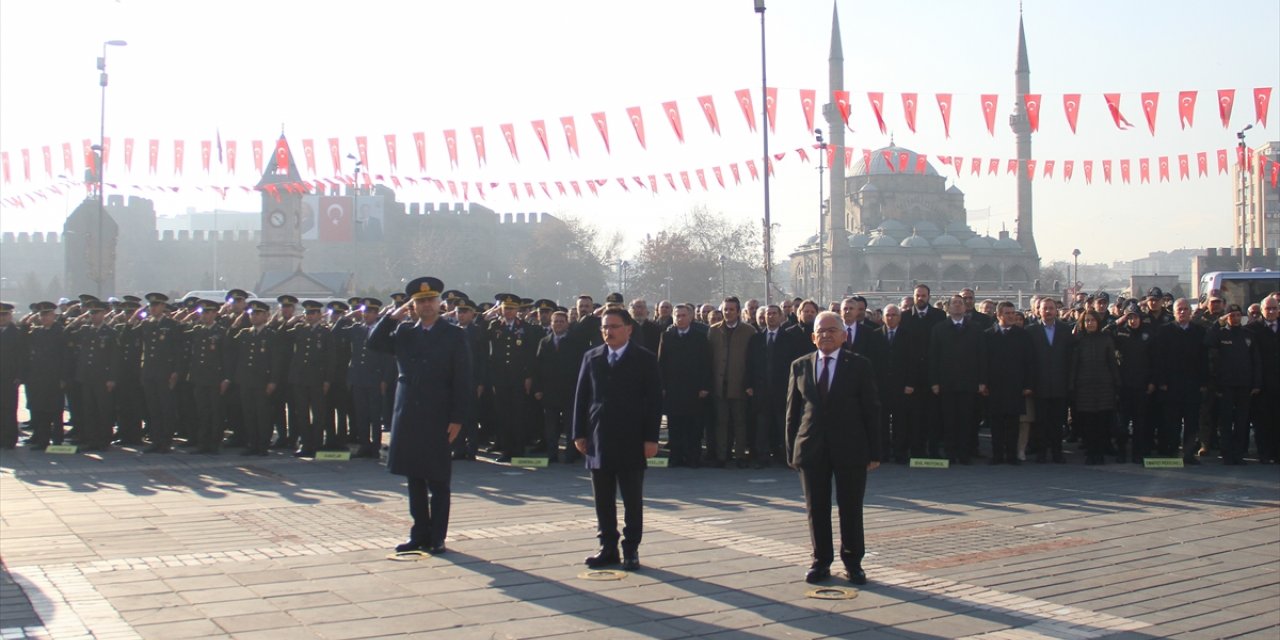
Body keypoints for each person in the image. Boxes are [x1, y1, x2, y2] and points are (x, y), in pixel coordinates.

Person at [369, 277, 473, 555]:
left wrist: (458, 417)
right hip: (409, 413)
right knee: (414, 477)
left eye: (431, 300)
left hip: (439, 413)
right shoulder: (404, 332)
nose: (426, 305)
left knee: (438, 478)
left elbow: (463, 379)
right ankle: (419, 533)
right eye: (420, 301)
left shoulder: (454, 334)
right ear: (413, 305)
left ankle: (437, 536)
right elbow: (375, 342)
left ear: (439, 303)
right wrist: (393, 316)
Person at [786, 311, 880, 586]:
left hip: (851, 447)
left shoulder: (859, 365)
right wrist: (792, 449)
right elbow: (792, 412)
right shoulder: (800, 366)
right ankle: (821, 560)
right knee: (816, 507)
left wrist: (875, 452)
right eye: (821, 331)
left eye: (832, 330)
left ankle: (853, 563)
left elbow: (871, 410)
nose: (826, 334)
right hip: (811, 447)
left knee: (851, 507)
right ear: (813, 337)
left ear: (844, 336)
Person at [573, 307, 662, 571]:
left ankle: (631, 548)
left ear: (628, 329)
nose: (608, 332)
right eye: (604, 327)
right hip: (599, 437)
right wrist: (579, 432)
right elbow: (582, 397)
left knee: (632, 498)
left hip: (632, 437)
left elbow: (654, 401)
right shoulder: (592, 357)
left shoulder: (644, 359)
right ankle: (607, 547)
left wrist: (651, 438)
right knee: (602, 497)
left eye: (613, 327)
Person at [929, 295, 988, 464]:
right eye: (954, 303)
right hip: (946, 382)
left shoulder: (975, 328)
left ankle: (964, 453)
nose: (957, 306)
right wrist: (934, 381)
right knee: (948, 420)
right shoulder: (939, 328)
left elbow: (982, 356)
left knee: (967, 419)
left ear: (965, 307)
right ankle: (950, 452)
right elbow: (933, 356)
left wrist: (982, 381)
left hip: (969, 382)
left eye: (960, 303)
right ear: (948, 308)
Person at [1204, 304, 1262, 465]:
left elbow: (1255, 360)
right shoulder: (1221, 334)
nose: (1235, 318)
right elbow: (1207, 341)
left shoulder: (1248, 334)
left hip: (1244, 385)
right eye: (1232, 315)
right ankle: (1227, 454)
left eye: (1238, 315)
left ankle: (1238, 453)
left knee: (1242, 421)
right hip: (1225, 385)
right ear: (1227, 317)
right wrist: (1219, 322)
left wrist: (1256, 383)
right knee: (1225, 421)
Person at [1153, 298, 1209, 463]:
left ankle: (1189, 454)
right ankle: (1171, 452)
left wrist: (1203, 382)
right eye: (1179, 309)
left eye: (1185, 309)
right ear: (1174, 312)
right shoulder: (1165, 331)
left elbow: (1203, 359)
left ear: (1190, 312)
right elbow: (1159, 358)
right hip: (1172, 384)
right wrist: (1161, 381)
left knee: (1192, 422)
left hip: (1192, 384)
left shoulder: (1199, 331)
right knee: (1173, 421)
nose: (1183, 312)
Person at [657, 304, 711, 467]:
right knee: (675, 425)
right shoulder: (667, 336)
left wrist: (704, 386)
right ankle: (676, 457)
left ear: (691, 317)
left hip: (694, 389)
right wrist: (662, 386)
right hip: (674, 388)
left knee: (694, 425)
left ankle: (693, 457)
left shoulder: (700, 337)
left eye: (683, 315)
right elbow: (661, 363)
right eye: (677, 315)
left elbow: (706, 363)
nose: (680, 319)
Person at [746, 305, 799, 468]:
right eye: (768, 314)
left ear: (781, 316)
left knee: (783, 424)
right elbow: (748, 364)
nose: (771, 317)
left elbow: (794, 365)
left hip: (782, 389)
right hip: (761, 389)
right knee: (762, 425)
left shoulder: (789, 338)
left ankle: (786, 456)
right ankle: (762, 456)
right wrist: (748, 385)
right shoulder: (756, 339)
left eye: (774, 314)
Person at [707, 297, 755, 467]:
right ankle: (722, 456)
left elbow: (752, 360)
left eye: (731, 309)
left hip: (739, 384)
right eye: (725, 309)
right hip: (719, 385)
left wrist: (749, 384)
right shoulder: (713, 330)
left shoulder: (749, 331)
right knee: (721, 423)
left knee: (739, 423)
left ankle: (740, 456)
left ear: (738, 311)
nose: (728, 313)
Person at [984, 302, 1034, 465]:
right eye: (1007, 313)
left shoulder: (1023, 335)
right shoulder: (988, 335)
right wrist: (982, 383)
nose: (1011, 316)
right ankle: (997, 454)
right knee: (996, 423)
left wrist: (1028, 384)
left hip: (1015, 385)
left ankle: (1012, 455)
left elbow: (1029, 361)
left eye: (1013, 313)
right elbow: (982, 362)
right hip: (994, 385)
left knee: (1013, 422)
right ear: (998, 315)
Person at [1069, 310, 1120, 465]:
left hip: (1104, 386)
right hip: (1084, 387)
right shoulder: (1078, 340)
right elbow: (1074, 366)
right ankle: (1091, 453)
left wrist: (1117, 383)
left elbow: (1112, 362)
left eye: (1092, 320)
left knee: (1102, 422)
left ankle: (1100, 453)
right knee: (1088, 423)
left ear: (1098, 322)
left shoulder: (1106, 339)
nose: (1089, 323)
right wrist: (1071, 385)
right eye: (1087, 321)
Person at [532, 310, 582, 463]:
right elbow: (537, 366)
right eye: (556, 321)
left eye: (562, 321)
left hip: (570, 390)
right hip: (549, 390)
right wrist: (538, 388)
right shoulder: (544, 342)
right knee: (551, 426)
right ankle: (552, 454)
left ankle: (571, 454)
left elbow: (581, 366)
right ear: (551, 324)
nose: (558, 324)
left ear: (567, 323)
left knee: (570, 425)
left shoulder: (575, 341)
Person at [1027, 298, 1073, 463]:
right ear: (1038, 310)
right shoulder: (1031, 331)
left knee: (1058, 421)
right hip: (1040, 384)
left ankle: (1057, 452)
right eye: (1044, 308)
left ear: (1056, 310)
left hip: (1060, 384)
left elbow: (1070, 358)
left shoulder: (1065, 330)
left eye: (1051, 308)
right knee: (1041, 422)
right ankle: (1041, 453)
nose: (1048, 311)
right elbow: (1028, 360)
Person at [1248, 296, 1279, 463]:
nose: (1272, 311)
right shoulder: (1253, 329)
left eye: (1274, 308)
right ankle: (1264, 453)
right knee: (1262, 421)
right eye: (1268, 309)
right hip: (1261, 384)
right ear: (1262, 310)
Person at [0, 302, 26, 449]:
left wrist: (19, 375)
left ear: (10, 315)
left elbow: (22, 356)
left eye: (4, 314)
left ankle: (9, 439)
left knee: (9, 408)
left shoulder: (16, 333)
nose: (1, 318)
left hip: (10, 377)